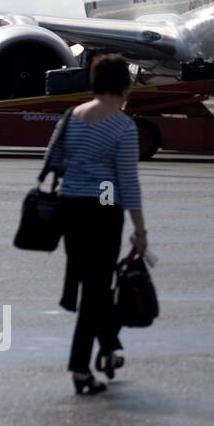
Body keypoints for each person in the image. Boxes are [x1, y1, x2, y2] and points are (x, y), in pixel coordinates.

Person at [52, 54, 146, 396]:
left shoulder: (73, 116)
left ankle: (108, 346)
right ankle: (80, 369)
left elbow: (58, 161)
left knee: (93, 285)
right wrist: (141, 230)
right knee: (95, 291)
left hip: (70, 210)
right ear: (124, 85)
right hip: (103, 212)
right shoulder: (122, 126)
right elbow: (128, 183)